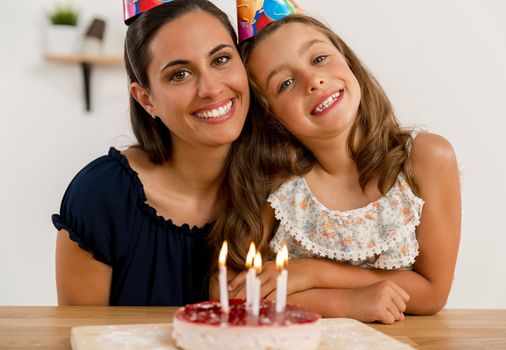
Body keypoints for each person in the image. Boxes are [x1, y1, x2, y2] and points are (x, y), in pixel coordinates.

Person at [225, 13, 461, 324]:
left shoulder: (425, 158)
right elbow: (229, 292)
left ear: (347, 60)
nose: (313, 81)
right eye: (285, 83)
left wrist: (312, 273)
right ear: (269, 116)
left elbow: (431, 293)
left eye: (319, 58)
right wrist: (343, 302)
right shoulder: (278, 185)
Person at [52, 0, 265, 306]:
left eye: (220, 60)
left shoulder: (281, 184)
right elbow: (78, 336)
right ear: (146, 99)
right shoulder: (100, 196)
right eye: (179, 74)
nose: (211, 88)